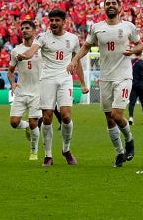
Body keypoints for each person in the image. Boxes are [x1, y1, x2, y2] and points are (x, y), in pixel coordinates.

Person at [69, 0, 141, 167]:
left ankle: (129, 140)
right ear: (104, 7)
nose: (110, 6)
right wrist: (74, 60)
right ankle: (119, 153)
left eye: (113, 3)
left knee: (117, 115)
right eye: (107, 3)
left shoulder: (128, 27)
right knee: (109, 118)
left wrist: (133, 50)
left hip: (123, 76)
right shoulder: (97, 28)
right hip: (106, 78)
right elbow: (86, 46)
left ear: (119, 7)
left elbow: (140, 46)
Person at [17, 9, 89, 167]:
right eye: (52, 21)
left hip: (65, 79)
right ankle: (48, 155)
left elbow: (77, 62)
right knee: (47, 117)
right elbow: (32, 50)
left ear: (64, 22)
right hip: (47, 79)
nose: (54, 23)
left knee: (66, 117)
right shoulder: (42, 37)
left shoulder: (72, 39)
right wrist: (25, 55)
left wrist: (83, 83)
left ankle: (66, 149)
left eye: (57, 20)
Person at [8, 20, 42, 161]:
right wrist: (13, 83)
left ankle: (34, 151)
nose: (24, 30)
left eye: (27, 28)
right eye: (22, 28)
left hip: (37, 91)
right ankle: (26, 126)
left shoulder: (41, 49)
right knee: (14, 123)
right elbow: (10, 71)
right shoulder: (16, 51)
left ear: (34, 31)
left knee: (35, 123)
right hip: (21, 91)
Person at [128, 50, 143, 126]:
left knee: (132, 102)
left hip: (132, 84)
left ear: (134, 53)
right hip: (141, 85)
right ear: (141, 54)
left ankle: (131, 117)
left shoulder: (130, 62)